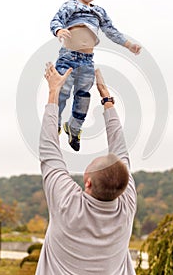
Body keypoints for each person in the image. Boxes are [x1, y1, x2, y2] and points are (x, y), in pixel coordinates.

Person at [35, 64, 137, 275]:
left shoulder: (67, 204)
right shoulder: (126, 207)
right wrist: (107, 99)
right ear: (126, 186)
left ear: (88, 182)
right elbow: (121, 150)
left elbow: (48, 149)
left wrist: (54, 92)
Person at [50, 0, 142, 151]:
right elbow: (56, 20)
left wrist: (128, 44)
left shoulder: (99, 12)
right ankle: (55, 123)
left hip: (87, 60)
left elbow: (111, 31)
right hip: (68, 57)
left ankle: (74, 128)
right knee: (62, 92)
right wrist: (59, 31)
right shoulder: (70, 6)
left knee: (83, 96)